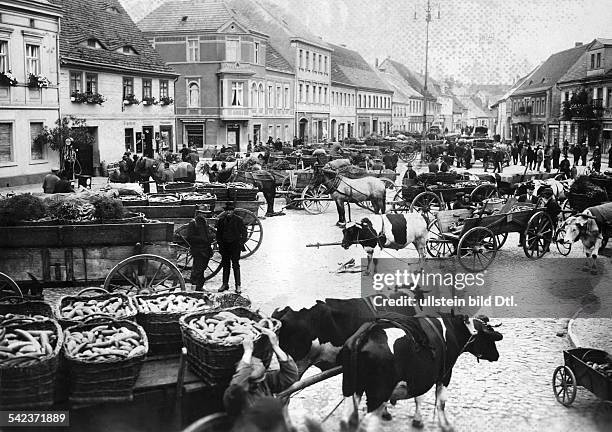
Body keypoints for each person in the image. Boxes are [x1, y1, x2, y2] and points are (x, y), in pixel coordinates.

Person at [223, 328, 298, 420]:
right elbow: (237, 385)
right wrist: (248, 352)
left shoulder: (263, 382)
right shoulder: (236, 397)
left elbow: (290, 375)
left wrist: (275, 346)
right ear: (247, 379)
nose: (258, 383)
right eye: (256, 382)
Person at [217, 203, 247, 293]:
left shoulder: (238, 220)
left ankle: (238, 285)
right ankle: (225, 284)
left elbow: (244, 233)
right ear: (225, 211)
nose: (229, 212)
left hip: (235, 246)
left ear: (233, 211)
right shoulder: (221, 221)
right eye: (227, 211)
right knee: (226, 265)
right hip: (225, 246)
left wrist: (240, 243)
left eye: (230, 210)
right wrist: (220, 244)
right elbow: (218, 234)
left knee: (236, 265)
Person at [184, 211, 213, 291]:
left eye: (205, 213)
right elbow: (189, 237)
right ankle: (194, 288)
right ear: (198, 213)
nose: (204, 215)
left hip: (206, 249)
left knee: (202, 268)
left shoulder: (204, 222)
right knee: (197, 269)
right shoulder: (193, 223)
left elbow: (207, 234)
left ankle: (199, 286)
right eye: (203, 213)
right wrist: (202, 239)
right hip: (198, 250)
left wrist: (209, 237)